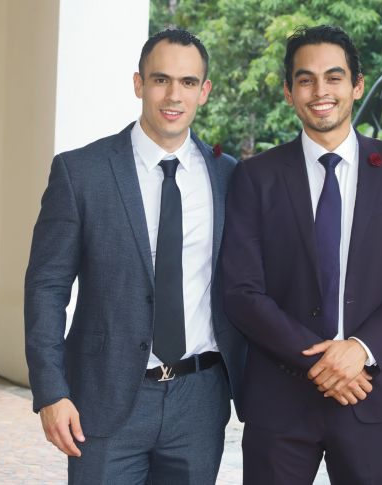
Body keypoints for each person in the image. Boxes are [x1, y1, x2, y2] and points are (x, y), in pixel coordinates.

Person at [221, 25, 382, 485]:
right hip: (279, 398)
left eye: (334, 77)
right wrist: (319, 362)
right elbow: (241, 291)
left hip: (373, 392)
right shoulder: (255, 176)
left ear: (357, 85)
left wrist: (360, 350)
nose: (320, 91)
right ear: (289, 92)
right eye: (305, 79)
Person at [24, 28, 246, 484]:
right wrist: (50, 391)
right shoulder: (80, 172)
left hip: (199, 401)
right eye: (161, 79)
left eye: (188, 82)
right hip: (104, 397)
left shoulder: (229, 177)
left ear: (204, 91)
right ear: (138, 83)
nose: (173, 95)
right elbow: (46, 287)